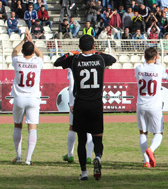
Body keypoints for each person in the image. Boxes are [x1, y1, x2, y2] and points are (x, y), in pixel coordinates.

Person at [54, 35, 116, 181]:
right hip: (96, 104)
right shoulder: (100, 59)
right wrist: (98, 53)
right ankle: (98, 157)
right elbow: (112, 59)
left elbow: (57, 62)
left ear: (80, 46)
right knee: (97, 138)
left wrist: (69, 54)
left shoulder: (75, 59)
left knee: (81, 140)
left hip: (80, 103)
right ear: (93, 45)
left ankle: (84, 172)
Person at [11, 31, 43, 165]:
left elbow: (14, 51)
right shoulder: (37, 62)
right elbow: (40, 54)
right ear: (32, 51)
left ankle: (18, 156)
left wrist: (24, 40)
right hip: (33, 98)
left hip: (19, 98)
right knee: (32, 127)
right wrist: (31, 42)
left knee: (18, 125)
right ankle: (28, 159)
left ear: (23, 51)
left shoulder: (18, 60)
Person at [134, 47, 168, 168]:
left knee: (143, 132)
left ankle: (146, 161)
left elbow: (138, 75)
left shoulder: (138, 68)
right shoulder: (159, 68)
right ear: (155, 57)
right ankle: (151, 149)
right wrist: (158, 60)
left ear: (144, 56)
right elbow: (166, 76)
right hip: (155, 105)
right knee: (158, 133)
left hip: (141, 104)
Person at [62, 68, 94, 165]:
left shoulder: (74, 63)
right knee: (89, 128)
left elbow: (72, 86)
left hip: (78, 99)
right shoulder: (93, 62)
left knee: (72, 127)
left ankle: (70, 155)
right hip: (90, 99)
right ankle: (88, 156)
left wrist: (71, 103)